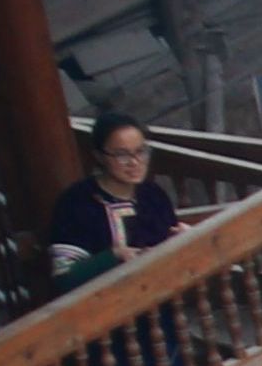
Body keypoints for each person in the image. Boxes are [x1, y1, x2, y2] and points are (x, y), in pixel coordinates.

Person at [45, 111, 182, 291]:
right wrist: (113, 256)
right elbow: (64, 277)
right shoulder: (76, 202)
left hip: (162, 303)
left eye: (141, 151)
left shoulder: (153, 195)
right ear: (100, 156)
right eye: (121, 155)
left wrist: (180, 239)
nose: (134, 162)